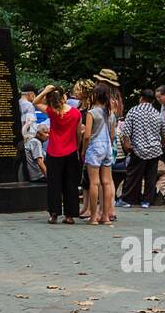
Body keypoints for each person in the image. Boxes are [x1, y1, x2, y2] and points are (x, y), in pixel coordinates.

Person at [34, 84, 81, 224]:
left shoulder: (51, 112)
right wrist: (77, 147)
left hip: (54, 151)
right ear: (64, 97)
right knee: (70, 184)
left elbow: (35, 102)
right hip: (71, 151)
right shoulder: (76, 113)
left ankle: (53, 213)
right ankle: (70, 215)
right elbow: (78, 133)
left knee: (54, 183)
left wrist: (46, 90)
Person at [119, 89, 164, 209]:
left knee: (133, 176)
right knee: (151, 177)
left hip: (138, 149)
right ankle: (146, 201)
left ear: (141, 98)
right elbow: (163, 132)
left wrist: (127, 145)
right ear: (153, 100)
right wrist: (161, 145)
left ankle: (129, 199)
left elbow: (126, 132)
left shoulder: (134, 111)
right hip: (155, 150)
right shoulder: (156, 113)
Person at [83, 81, 117, 225]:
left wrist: (84, 150)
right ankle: (106, 216)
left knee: (94, 183)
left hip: (95, 147)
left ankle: (93, 217)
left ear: (95, 96)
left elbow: (87, 135)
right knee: (107, 182)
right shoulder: (111, 114)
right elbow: (113, 134)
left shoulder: (91, 113)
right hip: (107, 147)